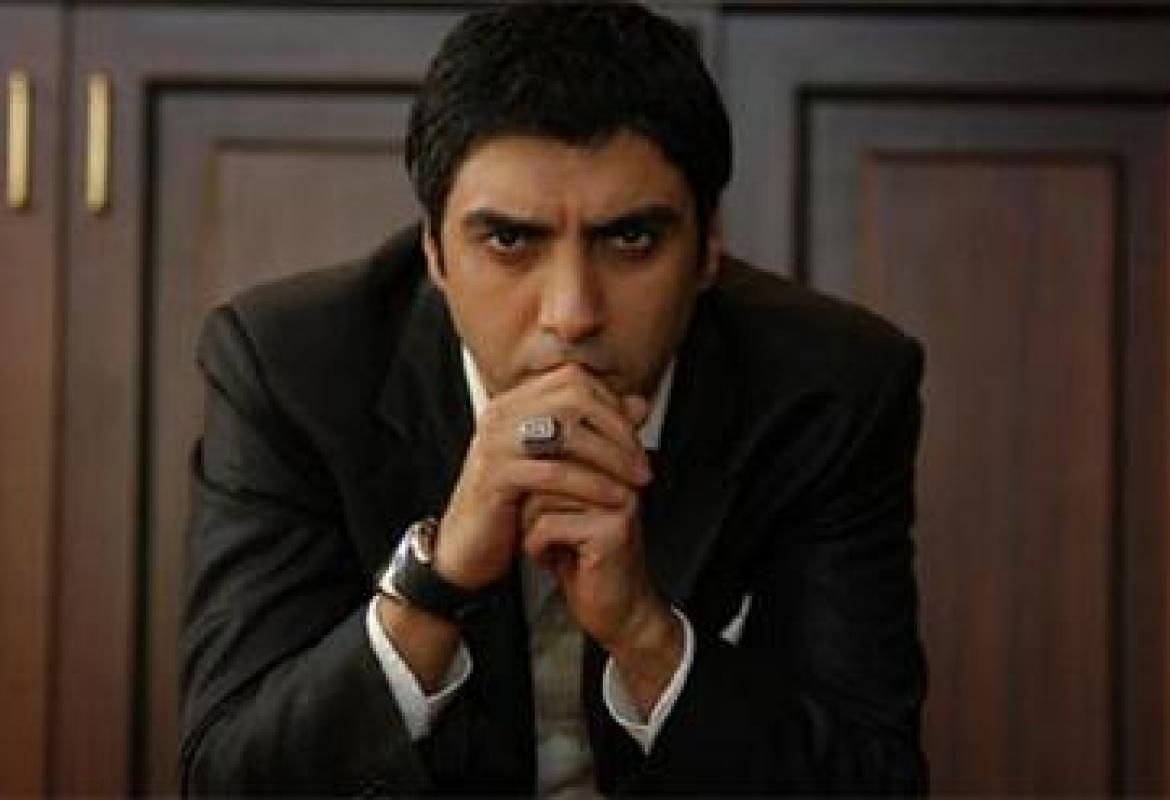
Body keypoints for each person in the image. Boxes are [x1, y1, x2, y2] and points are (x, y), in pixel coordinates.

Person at [179, 2, 927, 795]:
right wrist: (436, 583)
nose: (571, 313)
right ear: (433, 251)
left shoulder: (831, 387)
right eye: (509, 240)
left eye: (631, 238)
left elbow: (873, 783)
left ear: (709, 245)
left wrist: (646, 636)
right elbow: (228, 778)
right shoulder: (292, 370)